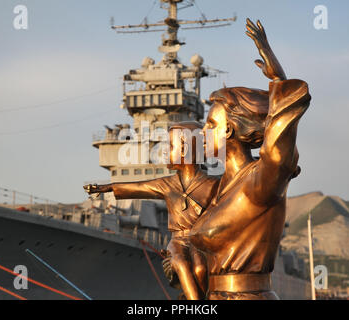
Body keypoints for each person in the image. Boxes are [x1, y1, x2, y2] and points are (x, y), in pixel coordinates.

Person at [189, 19, 311, 300]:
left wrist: (277, 79)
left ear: (230, 130)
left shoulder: (259, 182)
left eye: (209, 124)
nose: (202, 132)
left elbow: (279, 149)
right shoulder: (220, 188)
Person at [84, 121, 219, 300]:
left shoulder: (213, 184)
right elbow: (139, 186)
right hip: (177, 240)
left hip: (199, 239)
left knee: (201, 268)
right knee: (180, 262)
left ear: (185, 150)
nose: (164, 152)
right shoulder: (167, 184)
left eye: (171, 146)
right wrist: (104, 188)